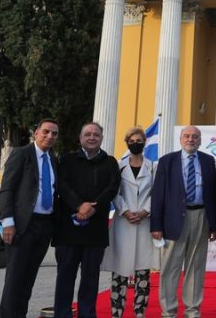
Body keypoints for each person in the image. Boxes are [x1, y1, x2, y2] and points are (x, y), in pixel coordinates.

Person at [53, 122, 122, 318]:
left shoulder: (110, 162)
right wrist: (79, 205)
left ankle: (87, 313)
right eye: (88, 134)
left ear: (101, 138)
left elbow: (112, 187)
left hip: (95, 230)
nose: (92, 137)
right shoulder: (67, 160)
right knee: (65, 276)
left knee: (90, 278)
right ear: (80, 137)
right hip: (68, 230)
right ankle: (62, 313)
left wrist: (93, 206)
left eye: (96, 134)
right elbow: (62, 186)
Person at [151, 125, 216, 318]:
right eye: (187, 136)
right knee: (170, 267)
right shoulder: (167, 161)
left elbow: (212, 193)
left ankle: (192, 311)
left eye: (195, 136)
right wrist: (156, 224)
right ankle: (168, 312)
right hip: (173, 219)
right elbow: (158, 194)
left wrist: (213, 224)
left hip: (201, 216)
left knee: (196, 267)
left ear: (200, 140)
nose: (191, 139)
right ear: (181, 139)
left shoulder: (207, 160)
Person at [0, 118, 60, 318]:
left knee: (28, 280)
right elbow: (7, 189)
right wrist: (7, 222)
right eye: (46, 132)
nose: (50, 136)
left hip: (44, 226)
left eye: (54, 133)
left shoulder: (53, 159)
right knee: (15, 279)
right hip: (22, 226)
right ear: (36, 133)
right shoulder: (21, 154)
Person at [100, 127, 156, 318]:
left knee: (143, 272)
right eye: (131, 141)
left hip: (144, 222)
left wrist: (144, 211)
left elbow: (156, 192)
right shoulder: (119, 165)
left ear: (144, 142)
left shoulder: (152, 166)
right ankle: (117, 312)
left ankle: (139, 312)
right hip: (123, 223)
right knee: (119, 271)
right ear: (126, 143)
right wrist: (125, 211)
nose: (135, 144)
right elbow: (113, 191)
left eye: (138, 140)